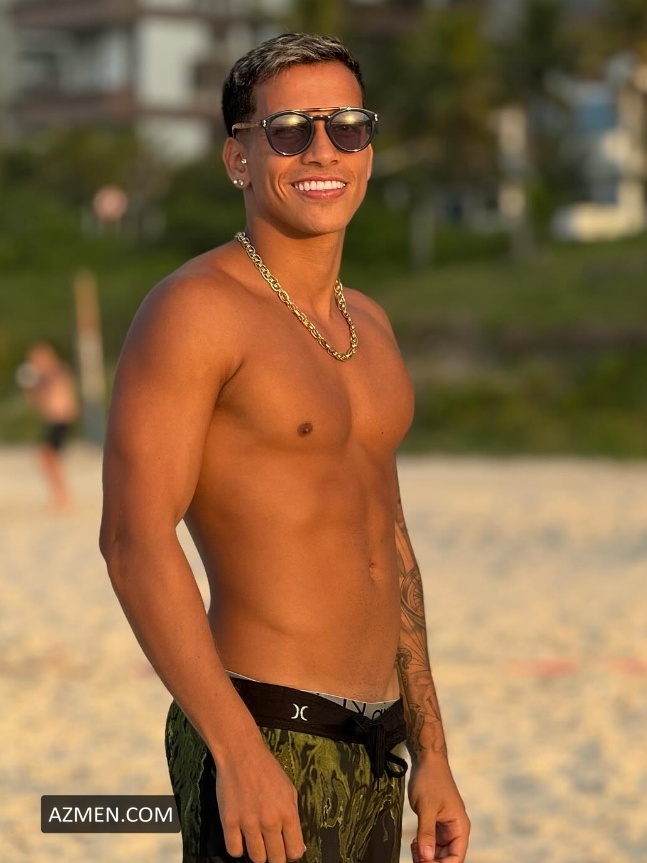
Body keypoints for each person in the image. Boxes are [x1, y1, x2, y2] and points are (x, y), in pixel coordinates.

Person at [100, 32, 469, 863]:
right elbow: (132, 540)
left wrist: (432, 752)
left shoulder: (369, 324)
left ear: (368, 150)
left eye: (347, 126)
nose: (323, 150)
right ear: (239, 158)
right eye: (290, 129)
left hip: (377, 744)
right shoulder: (196, 310)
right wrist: (236, 750)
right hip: (266, 728)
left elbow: (391, 548)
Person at [17, 340, 79, 511]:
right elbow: (37, 402)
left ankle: (62, 494)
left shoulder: (56, 371)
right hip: (53, 421)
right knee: (48, 459)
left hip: (60, 420)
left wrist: (34, 381)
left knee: (48, 458)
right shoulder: (45, 375)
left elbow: (54, 388)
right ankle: (60, 494)